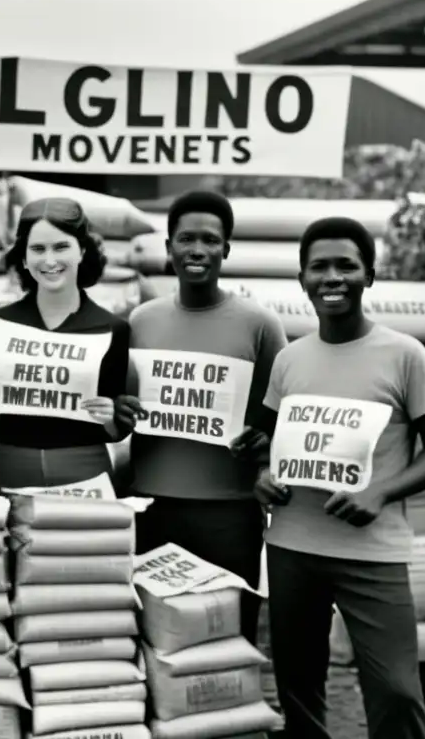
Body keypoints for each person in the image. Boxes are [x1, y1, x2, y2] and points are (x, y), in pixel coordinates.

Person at [252, 217, 425, 739]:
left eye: (347, 265)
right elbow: (269, 442)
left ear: (371, 274)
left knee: (395, 689)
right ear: (302, 278)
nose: (333, 277)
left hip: (374, 551)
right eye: (319, 266)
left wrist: (381, 491)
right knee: (297, 686)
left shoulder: (404, 354)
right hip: (293, 546)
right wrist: (260, 475)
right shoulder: (290, 360)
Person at [119, 190, 287, 645]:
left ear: (226, 249)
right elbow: (122, 412)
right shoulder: (140, 321)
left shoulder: (260, 324)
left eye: (210, 240)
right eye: (186, 239)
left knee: (230, 638)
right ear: (168, 246)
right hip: (153, 508)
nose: (198, 250)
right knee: (159, 640)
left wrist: (266, 447)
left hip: (230, 512)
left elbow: (282, 411)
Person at [0, 197, 136, 491]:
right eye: (37, 249)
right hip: (12, 469)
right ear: (23, 258)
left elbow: (118, 428)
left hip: (86, 472)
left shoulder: (114, 329)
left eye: (61, 247)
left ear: (82, 251)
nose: (49, 260)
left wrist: (110, 418)